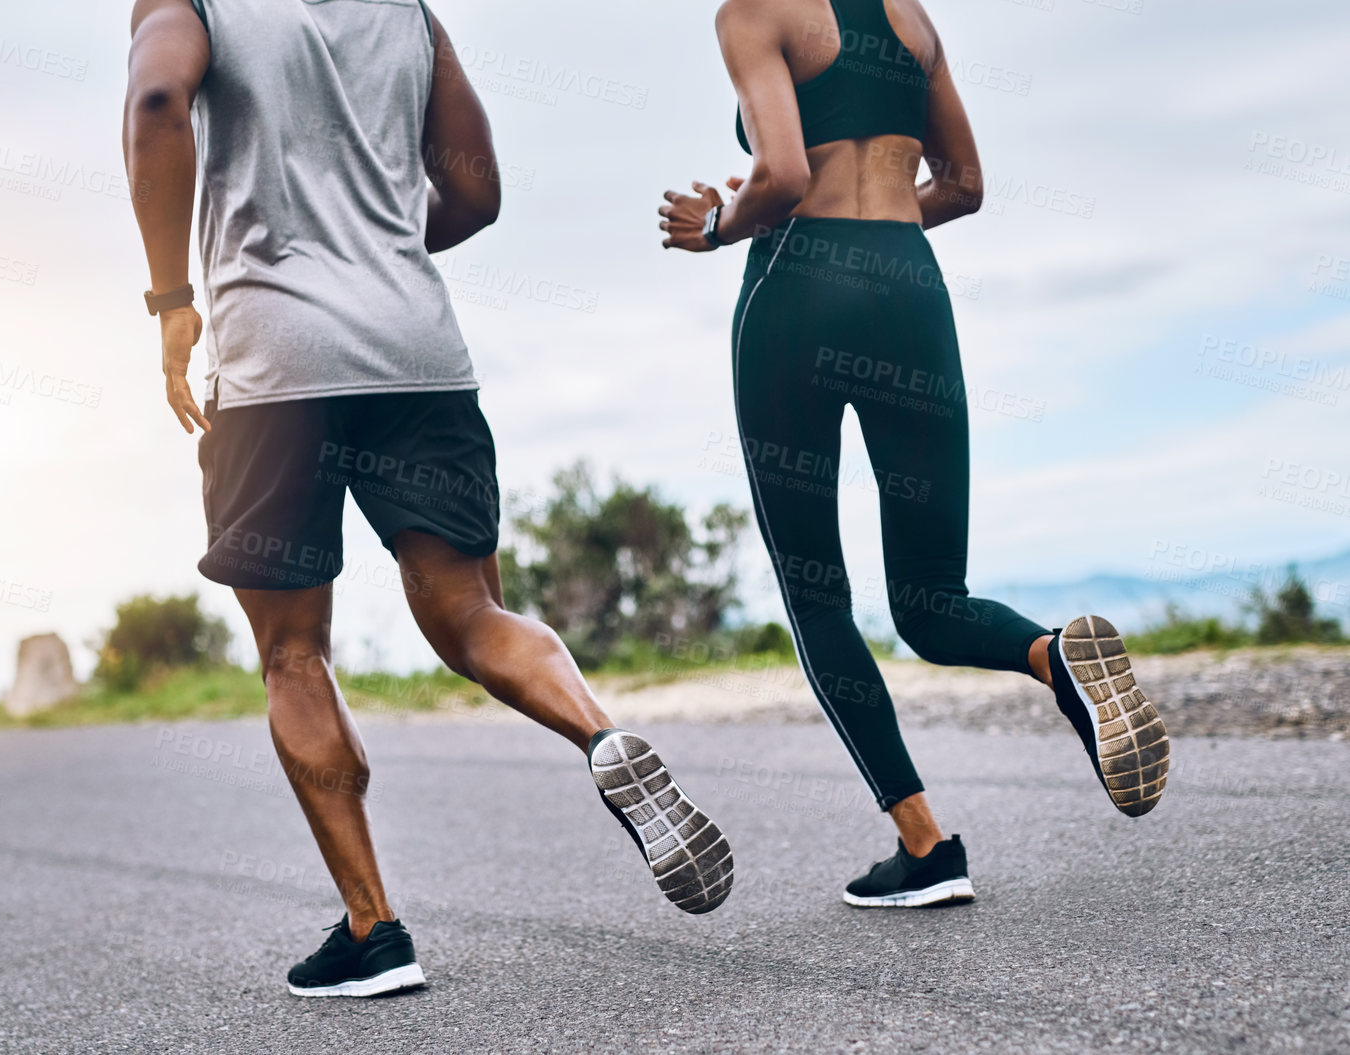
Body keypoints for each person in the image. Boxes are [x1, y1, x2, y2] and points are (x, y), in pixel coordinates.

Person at [123, 0, 734, 996]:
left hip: (274, 367)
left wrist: (170, 302)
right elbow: (477, 190)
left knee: (292, 651)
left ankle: (375, 927)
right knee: (472, 612)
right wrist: (375, 251)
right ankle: (599, 732)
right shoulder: (407, 11)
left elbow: (157, 98)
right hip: (416, 351)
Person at [658, 0, 1169, 907]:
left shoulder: (750, 13)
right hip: (910, 291)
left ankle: (926, 845)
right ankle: (1053, 658)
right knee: (933, 600)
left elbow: (777, 176)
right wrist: (882, 232)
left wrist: (714, 228)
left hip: (797, 291)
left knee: (818, 598)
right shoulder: (911, 17)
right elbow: (965, 183)